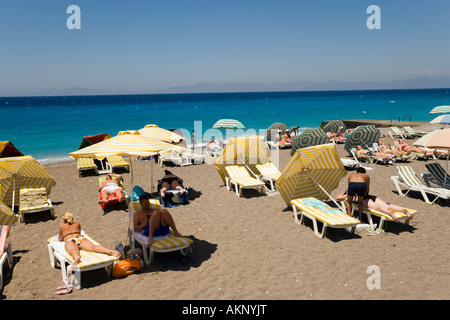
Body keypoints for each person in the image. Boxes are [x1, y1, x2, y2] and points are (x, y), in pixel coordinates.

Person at [336, 192, 414, 222]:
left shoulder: (349, 195)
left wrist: (343, 193)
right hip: (372, 197)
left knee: (377, 207)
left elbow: (337, 198)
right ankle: (402, 210)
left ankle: (390, 213)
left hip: (364, 200)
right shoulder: (358, 189)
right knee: (386, 205)